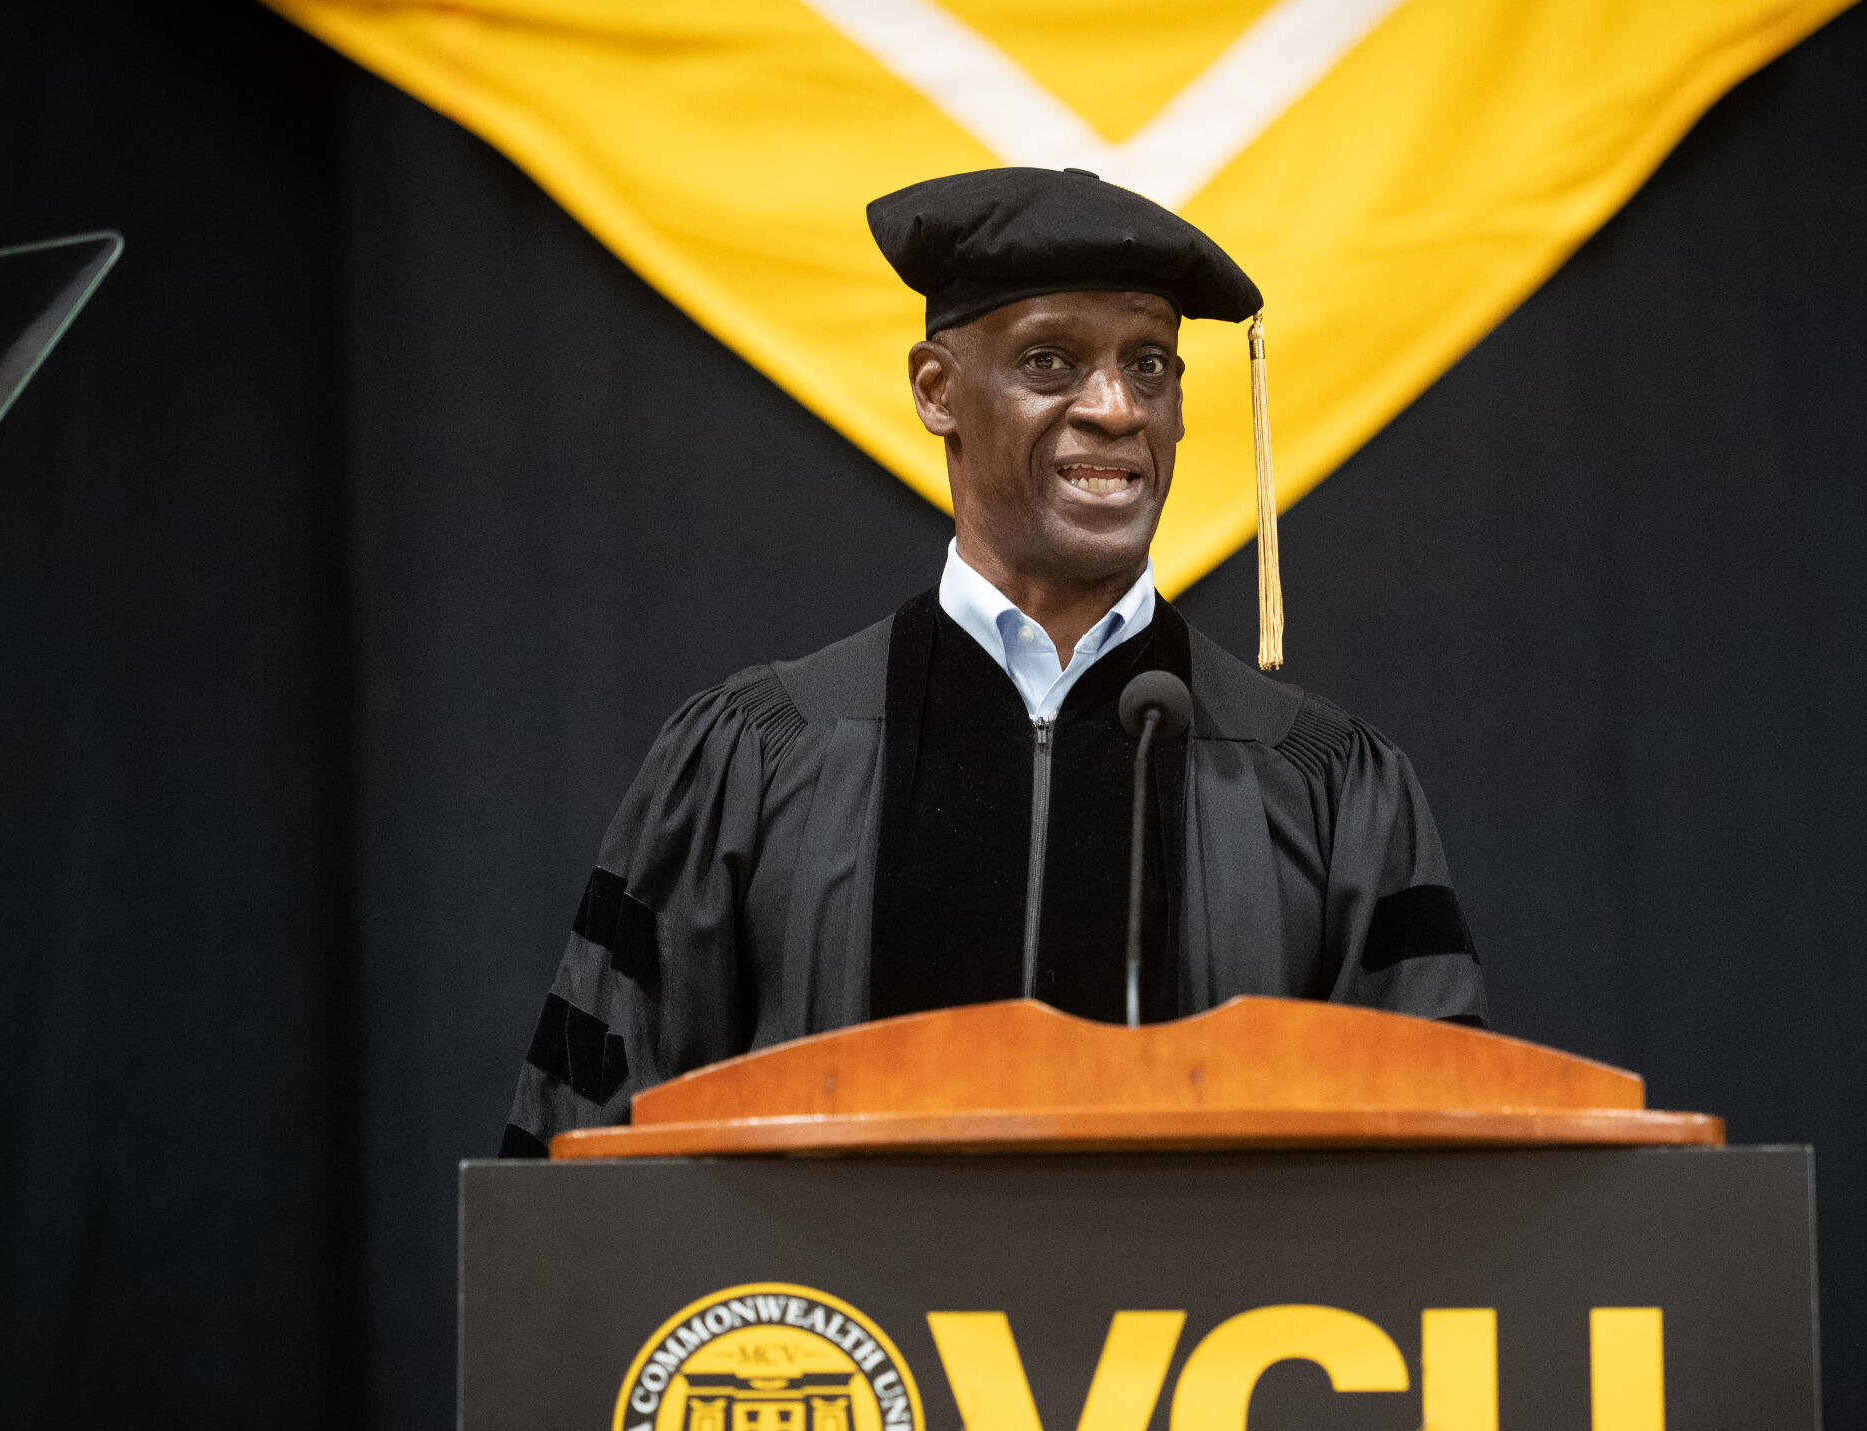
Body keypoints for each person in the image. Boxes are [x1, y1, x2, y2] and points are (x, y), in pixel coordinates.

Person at [503, 167, 1485, 1155]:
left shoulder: (1322, 786)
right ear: (937, 391)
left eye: (1149, 364)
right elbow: (587, 1172)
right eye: (1051, 361)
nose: (1116, 407)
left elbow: (1436, 1183)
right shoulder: (757, 762)